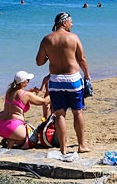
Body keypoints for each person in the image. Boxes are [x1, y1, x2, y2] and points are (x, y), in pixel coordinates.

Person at [36, 12, 92, 154]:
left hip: (55, 80)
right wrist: (87, 75)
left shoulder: (47, 39)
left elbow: (39, 62)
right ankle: (82, 145)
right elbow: (82, 58)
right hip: (73, 79)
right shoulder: (73, 38)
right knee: (77, 112)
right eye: (70, 22)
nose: (72, 24)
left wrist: (52, 54)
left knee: (59, 114)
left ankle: (63, 148)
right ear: (64, 22)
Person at [0, 70, 51, 149]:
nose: (28, 82)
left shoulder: (9, 91)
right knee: (33, 139)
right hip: (13, 127)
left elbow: (17, 96)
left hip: (0, 127)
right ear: (23, 82)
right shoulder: (26, 95)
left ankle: (7, 138)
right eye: (28, 80)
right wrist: (52, 92)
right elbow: (44, 102)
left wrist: (29, 91)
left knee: (20, 133)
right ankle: (13, 140)